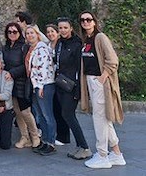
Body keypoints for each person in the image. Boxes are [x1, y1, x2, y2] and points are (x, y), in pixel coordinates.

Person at [79, 11, 126, 169]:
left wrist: (103, 77)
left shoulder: (100, 37)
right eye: (83, 20)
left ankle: (102, 155)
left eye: (88, 19)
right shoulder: (86, 40)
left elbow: (112, 60)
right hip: (92, 81)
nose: (85, 22)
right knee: (104, 119)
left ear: (94, 22)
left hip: (99, 82)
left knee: (99, 119)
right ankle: (117, 154)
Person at [54, 17, 91, 160]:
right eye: (60, 28)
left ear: (71, 28)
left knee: (68, 115)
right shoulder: (59, 43)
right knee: (67, 115)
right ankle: (80, 146)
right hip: (61, 84)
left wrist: (78, 90)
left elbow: (80, 69)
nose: (62, 30)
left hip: (71, 86)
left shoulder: (77, 44)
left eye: (65, 27)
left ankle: (85, 147)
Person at [2, 22, 40, 149]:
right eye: (9, 32)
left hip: (21, 83)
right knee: (17, 112)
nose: (12, 34)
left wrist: (12, 73)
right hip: (10, 84)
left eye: (15, 31)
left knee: (26, 111)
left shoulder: (24, 47)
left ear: (19, 33)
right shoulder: (6, 47)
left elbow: (26, 65)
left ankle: (35, 136)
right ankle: (24, 137)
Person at [25, 24, 57, 156]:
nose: (30, 35)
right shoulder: (31, 49)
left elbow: (44, 67)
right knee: (40, 116)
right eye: (27, 34)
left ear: (37, 34)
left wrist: (41, 86)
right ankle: (44, 141)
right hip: (35, 85)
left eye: (32, 33)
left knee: (47, 115)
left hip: (44, 85)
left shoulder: (41, 48)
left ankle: (51, 143)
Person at [46, 23, 70, 146]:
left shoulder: (62, 44)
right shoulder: (48, 45)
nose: (50, 34)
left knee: (62, 108)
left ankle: (64, 136)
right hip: (51, 80)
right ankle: (57, 133)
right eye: (48, 32)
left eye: (52, 31)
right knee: (54, 107)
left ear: (58, 33)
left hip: (61, 79)